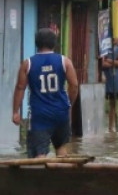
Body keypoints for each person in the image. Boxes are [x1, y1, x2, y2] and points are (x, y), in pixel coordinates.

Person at [12, 28, 80, 157]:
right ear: (54, 44)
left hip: (39, 115)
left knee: (39, 154)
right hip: (61, 113)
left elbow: (20, 88)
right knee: (61, 150)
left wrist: (15, 111)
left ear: (36, 43)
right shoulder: (65, 61)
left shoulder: (28, 64)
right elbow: (74, 86)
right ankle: (60, 176)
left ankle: (40, 176)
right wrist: (68, 104)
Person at [102, 38, 118, 133]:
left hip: (116, 79)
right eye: (115, 37)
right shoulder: (104, 49)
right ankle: (103, 126)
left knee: (113, 104)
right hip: (105, 79)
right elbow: (102, 64)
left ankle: (111, 127)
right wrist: (115, 63)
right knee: (102, 103)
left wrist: (110, 61)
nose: (117, 39)